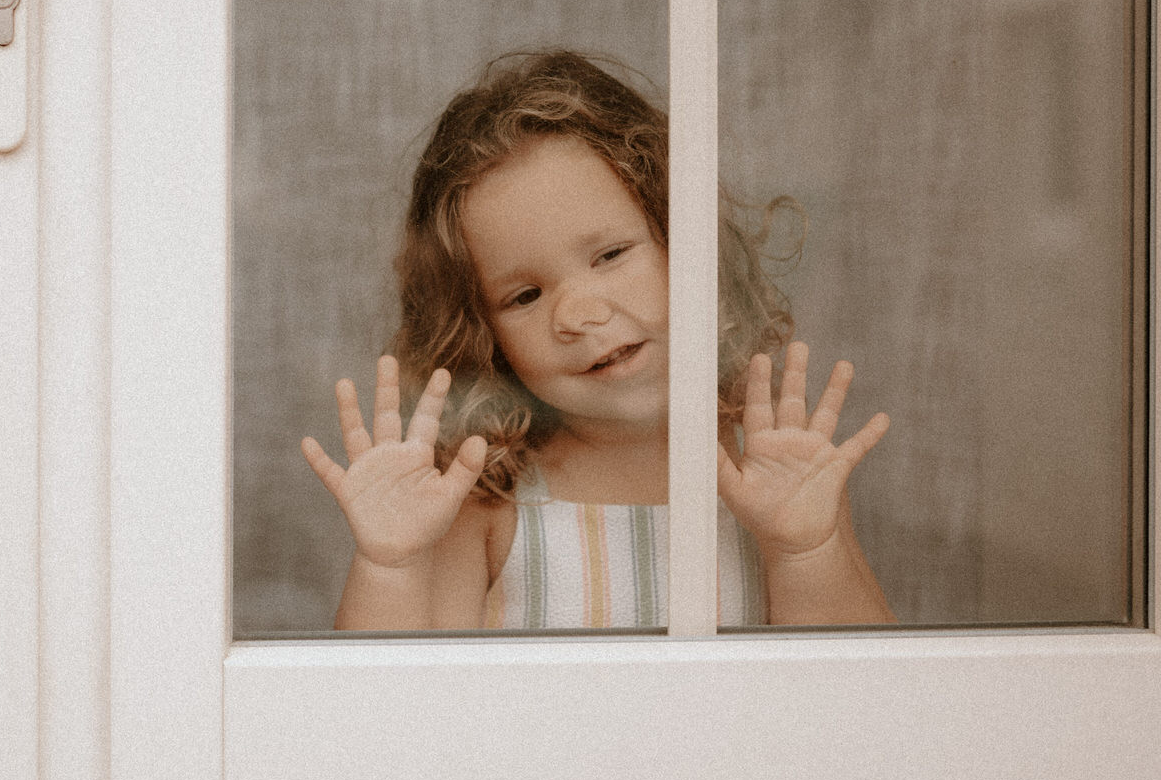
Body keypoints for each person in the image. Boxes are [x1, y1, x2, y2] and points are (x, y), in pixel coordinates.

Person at [299, 50, 893, 630]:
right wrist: (391, 565)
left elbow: (860, 705)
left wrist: (805, 550)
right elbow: (394, 711)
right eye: (524, 296)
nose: (578, 314)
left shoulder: (772, 469)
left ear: (681, 241)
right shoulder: (486, 503)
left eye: (610, 255)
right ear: (483, 337)